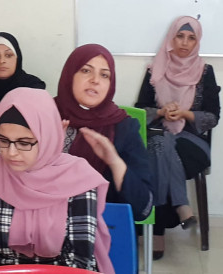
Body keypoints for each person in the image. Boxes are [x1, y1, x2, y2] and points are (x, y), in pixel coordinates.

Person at [0, 87, 114, 273]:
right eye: (3, 140)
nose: (11, 152)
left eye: (24, 143)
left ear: (47, 137)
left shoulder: (78, 179)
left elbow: (79, 260)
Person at [135, 16, 220, 258]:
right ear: (171, 39)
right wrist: (161, 112)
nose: (184, 42)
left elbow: (213, 117)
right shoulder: (155, 70)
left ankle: (156, 232)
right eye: (180, 36)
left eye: (191, 38)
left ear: (197, 42)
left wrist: (184, 114)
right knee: (160, 146)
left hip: (192, 143)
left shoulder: (205, 72)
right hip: (159, 137)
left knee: (158, 153)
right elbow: (139, 110)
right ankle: (182, 206)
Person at [54, 44, 154, 223]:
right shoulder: (45, 116)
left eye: (104, 75)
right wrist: (50, 156)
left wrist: (114, 161)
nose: (95, 80)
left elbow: (143, 207)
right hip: (41, 223)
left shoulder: (123, 128)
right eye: (86, 70)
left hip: (99, 228)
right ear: (70, 75)